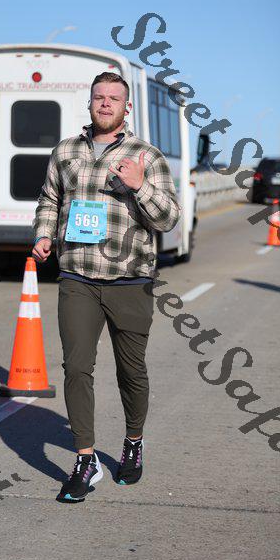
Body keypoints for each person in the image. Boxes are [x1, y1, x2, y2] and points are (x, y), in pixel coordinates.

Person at [32, 72, 181, 502]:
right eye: (99, 97)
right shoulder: (66, 152)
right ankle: (85, 459)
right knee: (76, 367)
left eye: (114, 98)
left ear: (126, 107)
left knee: (130, 371)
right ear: (90, 102)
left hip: (130, 279)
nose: (105, 104)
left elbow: (168, 218)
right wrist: (44, 234)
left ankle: (133, 442)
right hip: (77, 274)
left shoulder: (146, 156)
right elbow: (50, 199)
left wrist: (139, 185)